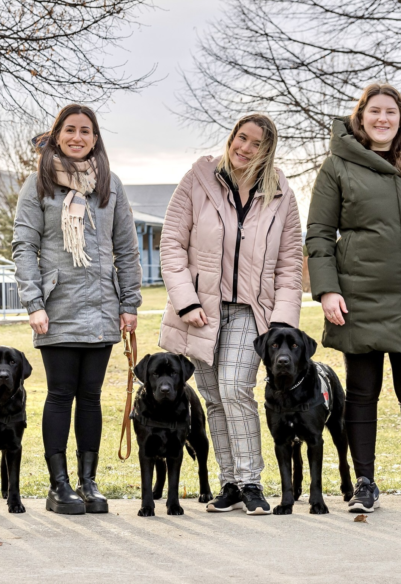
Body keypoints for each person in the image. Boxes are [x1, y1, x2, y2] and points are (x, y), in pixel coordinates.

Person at [306, 83, 401, 513]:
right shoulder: (337, 166)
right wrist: (327, 289)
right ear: (361, 116)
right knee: (361, 394)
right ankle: (364, 482)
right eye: (374, 111)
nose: (382, 119)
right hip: (358, 297)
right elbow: (318, 233)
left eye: (390, 112)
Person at [159, 114, 303, 516]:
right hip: (200, 307)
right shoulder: (199, 178)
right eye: (241, 138)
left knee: (236, 388)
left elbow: (291, 262)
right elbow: (171, 242)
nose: (244, 147)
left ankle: (252, 481)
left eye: (256, 143)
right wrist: (185, 300)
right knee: (212, 397)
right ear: (232, 137)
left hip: (251, 311)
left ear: (267, 150)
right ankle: (230, 484)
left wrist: (284, 320)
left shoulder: (282, 193)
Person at [12, 104, 142, 515]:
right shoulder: (38, 185)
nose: (78, 137)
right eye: (70, 130)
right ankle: (59, 485)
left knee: (90, 398)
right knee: (60, 394)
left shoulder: (111, 185)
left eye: (86, 131)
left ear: (95, 138)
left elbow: (126, 247)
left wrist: (130, 303)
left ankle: (88, 483)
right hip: (56, 307)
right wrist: (33, 301)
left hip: (103, 307)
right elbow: (24, 247)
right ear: (57, 134)